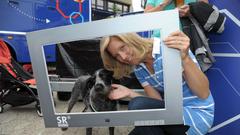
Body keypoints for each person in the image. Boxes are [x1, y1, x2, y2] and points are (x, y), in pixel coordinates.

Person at [100, 31, 214, 135]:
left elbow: (203, 93)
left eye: (123, 47)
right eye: (117, 56)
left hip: (197, 115)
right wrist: (129, 93)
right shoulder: (138, 67)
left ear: (131, 39)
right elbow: (156, 104)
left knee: (137, 106)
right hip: (172, 115)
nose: (123, 57)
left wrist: (185, 59)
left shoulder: (168, 48)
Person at [144, 0, 209, 38]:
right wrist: (165, 3)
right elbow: (146, 18)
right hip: (162, 38)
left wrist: (190, 11)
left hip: (192, 38)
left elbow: (206, 10)